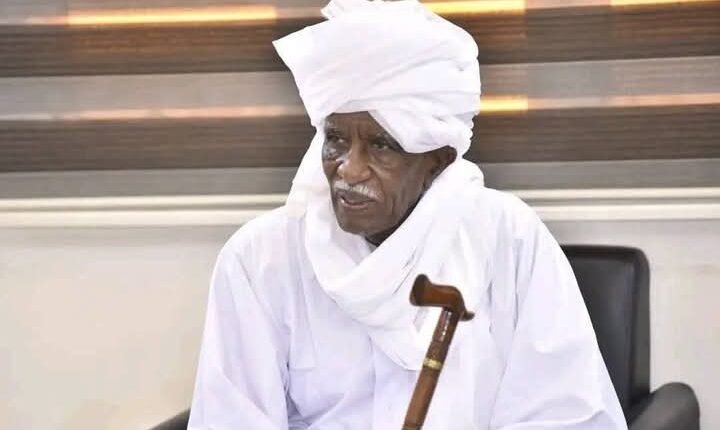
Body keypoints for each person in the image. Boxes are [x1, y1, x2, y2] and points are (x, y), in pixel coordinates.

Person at [189, 0, 627, 428]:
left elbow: (564, 412)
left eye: (381, 146)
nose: (349, 170)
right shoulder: (260, 259)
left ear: (438, 160)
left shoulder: (508, 239)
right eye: (336, 140)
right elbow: (231, 418)